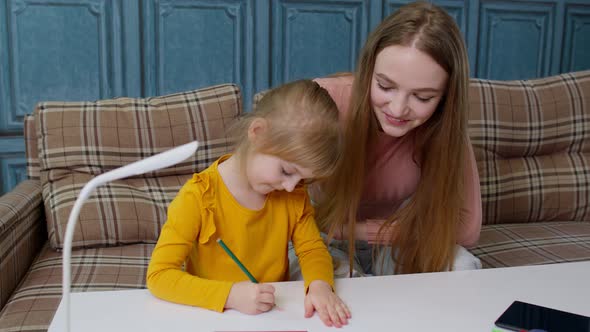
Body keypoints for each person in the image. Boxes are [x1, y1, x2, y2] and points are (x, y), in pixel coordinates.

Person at [146, 79, 351, 328]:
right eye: (287, 171)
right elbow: (159, 276)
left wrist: (320, 285)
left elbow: (311, 249)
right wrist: (230, 296)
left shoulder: (293, 193)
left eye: (303, 178)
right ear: (258, 133)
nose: (290, 186)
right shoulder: (198, 198)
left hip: (272, 317)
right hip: (212, 317)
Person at [311, 1, 483, 276]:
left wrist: (391, 232)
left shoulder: (443, 127)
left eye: (423, 97)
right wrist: (352, 230)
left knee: (463, 267)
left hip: (391, 244)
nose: (398, 109)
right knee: (347, 287)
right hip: (318, 240)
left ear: (445, 98)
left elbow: (468, 226)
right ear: (368, 71)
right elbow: (271, 204)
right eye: (385, 86)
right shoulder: (324, 101)